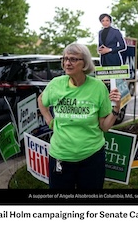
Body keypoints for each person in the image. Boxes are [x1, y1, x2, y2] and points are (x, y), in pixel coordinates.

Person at [37, 43, 121, 189]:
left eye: (74, 59)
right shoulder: (56, 84)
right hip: (60, 156)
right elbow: (41, 100)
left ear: (85, 64)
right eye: (65, 59)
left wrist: (116, 108)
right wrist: (49, 120)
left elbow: (105, 127)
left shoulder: (98, 87)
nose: (68, 63)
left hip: (91, 157)